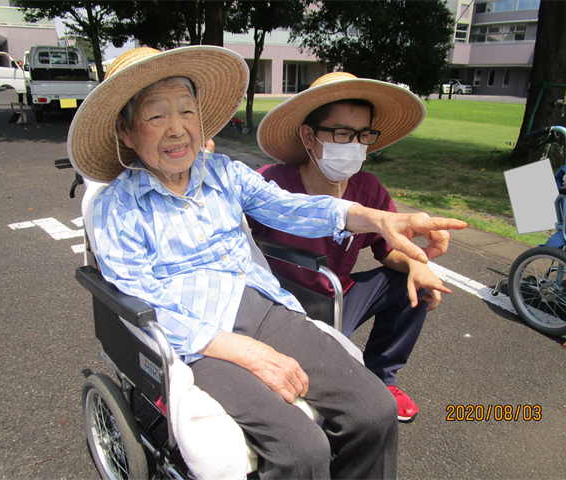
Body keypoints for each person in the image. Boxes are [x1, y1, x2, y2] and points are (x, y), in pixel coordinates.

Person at [68, 47, 466, 479]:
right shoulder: (117, 206)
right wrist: (243, 350)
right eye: (155, 116)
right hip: (195, 340)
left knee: (375, 410)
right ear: (126, 132)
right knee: (300, 449)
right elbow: (142, 299)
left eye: (187, 110)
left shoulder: (223, 172)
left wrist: (383, 219)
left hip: (263, 306)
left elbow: (292, 207)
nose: (177, 129)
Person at [251, 72, 450, 423]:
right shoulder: (270, 182)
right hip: (277, 306)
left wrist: (418, 264)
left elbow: (387, 248)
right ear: (309, 136)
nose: (354, 145)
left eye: (363, 135)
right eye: (342, 134)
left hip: (338, 300)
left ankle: (381, 377)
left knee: (411, 284)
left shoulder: (368, 188)